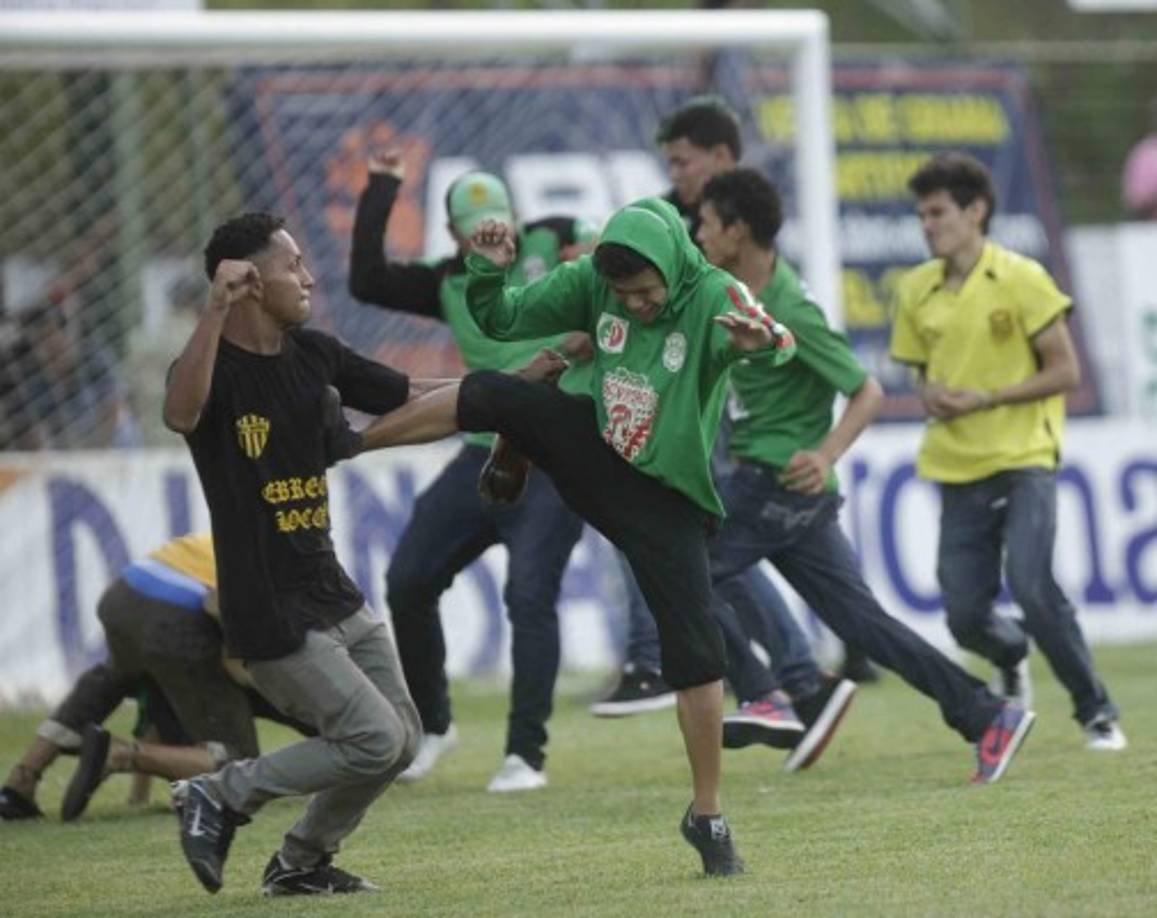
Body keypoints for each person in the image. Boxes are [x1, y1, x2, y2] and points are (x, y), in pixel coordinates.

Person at [349, 196, 799, 876]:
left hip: (663, 499)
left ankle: (707, 815)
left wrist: (759, 343)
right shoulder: (591, 280)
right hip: (593, 451)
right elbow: (501, 319)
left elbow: (776, 339)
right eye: (624, 296)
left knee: (698, 658)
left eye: (645, 294)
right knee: (495, 389)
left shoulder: (710, 292)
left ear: (671, 268)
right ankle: (351, 441)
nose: (635, 306)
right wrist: (487, 271)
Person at [695, 167, 1037, 781]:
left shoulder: (790, 309)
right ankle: (987, 714)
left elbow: (868, 390)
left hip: (775, 484)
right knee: (865, 626)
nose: (699, 234)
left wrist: (825, 454)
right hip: (792, 496)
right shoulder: (735, 293)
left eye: (707, 223)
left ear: (737, 231)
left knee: (682, 573)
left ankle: (764, 694)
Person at [161, 212, 456, 897]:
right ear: (250, 281)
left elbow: (410, 395)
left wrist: (508, 392)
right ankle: (217, 793)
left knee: (401, 741)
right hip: (268, 604)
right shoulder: (210, 368)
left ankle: (300, 863)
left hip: (330, 590)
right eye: (293, 266)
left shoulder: (315, 354)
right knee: (373, 739)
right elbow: (180, 414)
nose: (309, 278)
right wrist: (214, 308)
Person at [349, 153, 592, 791]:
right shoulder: (447, 281)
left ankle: (525, 755)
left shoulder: (555, 238)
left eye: (500, 221)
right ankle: (434, 725)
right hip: (481, 450)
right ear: (454, 235)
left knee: (529, 595)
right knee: (408, 579)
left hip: (555, 461)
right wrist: (383, 187)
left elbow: (616, 256)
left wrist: (595, 255)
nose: (493, 235)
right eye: (478, 228)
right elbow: (366, 280)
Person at [890, 152, 1125, 751]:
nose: (927, 225)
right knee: (964, 618)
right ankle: (1010, 652)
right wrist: (931, 395)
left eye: (937, 212)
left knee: (1032, 584)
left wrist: (988, 398)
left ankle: (1097, 712)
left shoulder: (1023, 278)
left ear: (976, 211)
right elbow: (921, 376)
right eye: (921, 215)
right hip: (955, 465)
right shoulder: (915, 289)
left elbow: (1065, 371)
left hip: (1024, 460)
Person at [0, 533, 315, 823]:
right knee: (237, 760)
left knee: (110, 679)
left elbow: (152, 707)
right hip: (180, 620)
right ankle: (121, 755)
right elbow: (222, 612)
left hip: (123, 596)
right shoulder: (290, 573)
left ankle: (19, 783)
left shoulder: (240, 536)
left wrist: (138, 797)